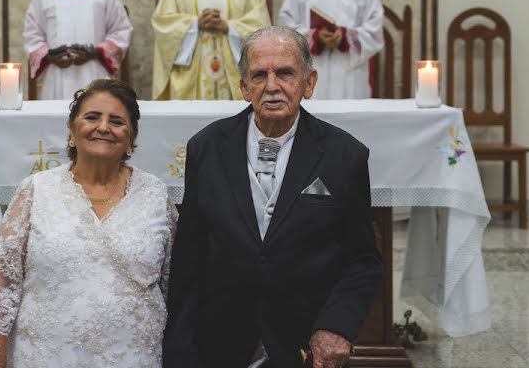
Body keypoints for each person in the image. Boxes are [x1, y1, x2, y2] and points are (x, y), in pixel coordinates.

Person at [163, 26, 383, 368]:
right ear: (244, 86)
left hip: (304, 342)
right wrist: (178, 351)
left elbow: (363, 260)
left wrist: (336, 327)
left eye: (285, 73)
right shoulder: (206, 148)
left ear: (308, 83)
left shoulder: (345, 156)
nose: (272, 86)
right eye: (259, 75)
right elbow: (190, 259)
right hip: (221, 341)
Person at [0, 79, 177, 367]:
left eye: (117, 121)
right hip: (46, 355)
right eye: (92, 117)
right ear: (71, 129)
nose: (103, 127)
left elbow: (174, 283)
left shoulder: (155, 194)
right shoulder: (35, 190)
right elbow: (0, 288)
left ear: (131, 137)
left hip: (134, 356)